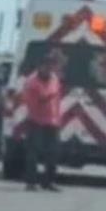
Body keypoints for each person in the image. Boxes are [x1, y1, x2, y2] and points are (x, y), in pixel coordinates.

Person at [23, 50, 64, 192]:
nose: (48, 69)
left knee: (53, 153)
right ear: (40, 66)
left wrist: (58, 117)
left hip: (52, 121)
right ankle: (31, 182)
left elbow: (57, 99)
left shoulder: (54, 78)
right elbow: (37, 101)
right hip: (36, 120)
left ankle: (49, 182)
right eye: (46, 66)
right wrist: (49, 95)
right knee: (33, 153)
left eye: (51, 66)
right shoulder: (32, 81)